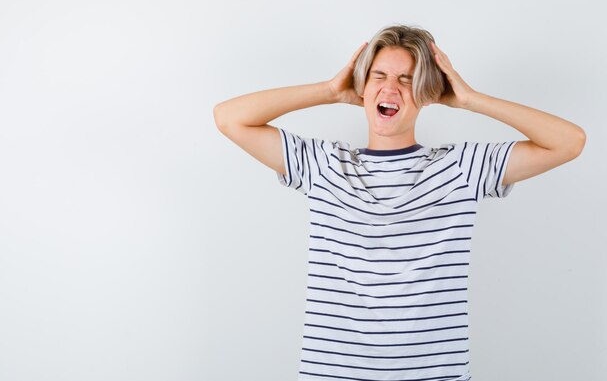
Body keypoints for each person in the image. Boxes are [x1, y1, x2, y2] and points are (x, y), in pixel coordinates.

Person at [213, 24, 585, 381]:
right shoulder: (324, 165)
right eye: (379, 76)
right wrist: (329, 90)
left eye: (406, 80)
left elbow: (569, 142)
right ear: (362, 85)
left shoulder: (460, 168)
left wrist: (470, 100)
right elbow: (229, 118)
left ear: (426, 91)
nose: (390, 88)